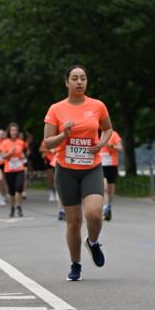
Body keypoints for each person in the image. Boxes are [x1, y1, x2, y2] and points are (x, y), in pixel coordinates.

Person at [43, 65, 113, 281]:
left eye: (83, 78)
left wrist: (100, 144)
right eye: (74, 78)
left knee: (94, 213)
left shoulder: (97, 106)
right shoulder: (56, 109)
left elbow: (108, 129)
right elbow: (47, 142)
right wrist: (63, 135)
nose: (79, 82)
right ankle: (76, 264)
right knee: (73, 222)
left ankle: (92, 242)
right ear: (67, 82)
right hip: (66, 170)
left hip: (91, 167)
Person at [1, 123, 28, 218]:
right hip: (9, 169)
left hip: (19, 168)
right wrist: (10, 153)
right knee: (12, 191)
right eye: (12, 130)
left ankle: (19, 207)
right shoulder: (5, 142)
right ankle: (12, 207)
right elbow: (3, 156)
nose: (14, 132)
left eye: (15, 130)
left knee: (19, 187)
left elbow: (25, 153)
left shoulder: (21, 142)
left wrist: (23, 156)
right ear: (9, 131)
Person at [101, 130, 123, 220]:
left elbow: (120, 149)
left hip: (112, 164)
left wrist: (111, 146)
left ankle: (108, 205)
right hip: (100, 165)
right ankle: (105, 208)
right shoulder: (95, 133)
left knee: (110, 189)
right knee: (104, 187)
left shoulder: (113, 134)